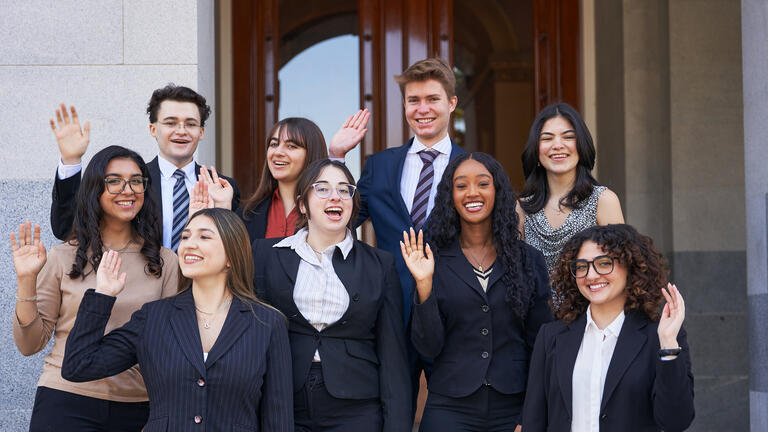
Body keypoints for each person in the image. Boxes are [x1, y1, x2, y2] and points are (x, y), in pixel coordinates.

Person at [62, 208, 293, 431]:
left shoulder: (267, 323)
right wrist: (103, 295)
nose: (189, 244)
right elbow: (79, 366)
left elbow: (278, 418)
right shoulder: (154, 317)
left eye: (204, 237)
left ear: (232, 256)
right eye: (185, 236)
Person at [11, 145, 178, 431]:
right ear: (94, 189)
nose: (128, 189)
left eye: (136, 180)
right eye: (113, 180)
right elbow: (29, 344)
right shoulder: (63, 256)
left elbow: (172, 343)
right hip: (65, 400)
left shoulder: (165, 262)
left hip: (138, 407)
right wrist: (27, 279)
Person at [252, 159, 411, 431]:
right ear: (303, 204)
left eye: (344, 189)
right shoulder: (266, 254)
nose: (335, 196)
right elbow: (251, 336)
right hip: (285, 400)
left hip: (356, 407)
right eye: (322, 189)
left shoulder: (379, 264)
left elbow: (393, 354)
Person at [401, 152, 552, 431]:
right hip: (450, 406)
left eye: (483, 183)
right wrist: (424, 284)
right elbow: (428, 346)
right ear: (450, 196)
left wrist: (530, 415)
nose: (472, 193)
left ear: (497, 191)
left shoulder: (528, 259)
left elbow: (541, 344)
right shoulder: (430, 260)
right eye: (461, 186)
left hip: (514, 407)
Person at [522, 224, 694, 431]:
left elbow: (676, 421)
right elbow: (534, 421)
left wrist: (667, 345)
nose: (591, 275)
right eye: (581, 266)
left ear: (630, 265)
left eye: (603, 264)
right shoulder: (551, 336)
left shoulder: (659, 336)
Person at [49, 84, 240, 250]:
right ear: (153, 129)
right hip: (143, 286)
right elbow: (66, 228)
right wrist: (71, 160)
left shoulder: (222, 188)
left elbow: (235, 249)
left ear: (201, 132)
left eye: (190, 124)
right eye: (170, 123)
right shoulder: (132, 183)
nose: (181, 131)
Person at [517, 102, 624, 273]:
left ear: (581, 145)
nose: (557, 145)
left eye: (568, 137)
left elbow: (621, 269)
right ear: (536, 149)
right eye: (547, 138)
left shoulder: (603, 200)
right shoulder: (522, 208)